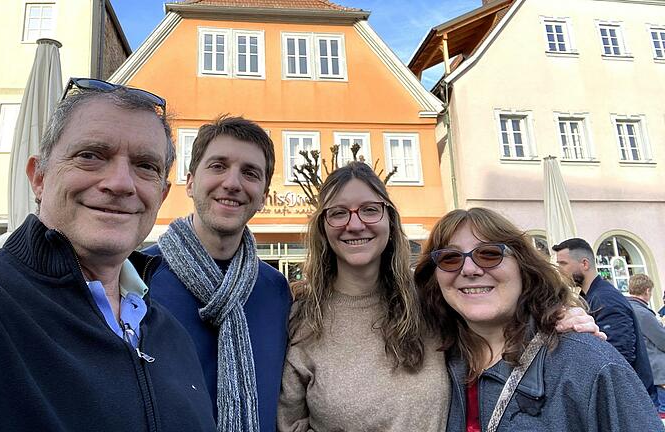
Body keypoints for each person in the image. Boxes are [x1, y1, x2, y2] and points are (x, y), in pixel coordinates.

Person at [0, 80, 216, 431]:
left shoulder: (172, 335)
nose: (122, 183)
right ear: (39, 177)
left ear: (162, 193)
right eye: (91, 156)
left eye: (145, 166)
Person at [276, 164, 600, 431]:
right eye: (338, 213)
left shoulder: (431, 301)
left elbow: (497, 311)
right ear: (323, 226)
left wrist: (557, 314)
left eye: (370, 210)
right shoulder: (302, 318)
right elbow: (287, 423)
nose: (355, 224)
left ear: (390, 220)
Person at [414, 207, 663, 431]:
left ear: (523, 266)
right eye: (450, 258)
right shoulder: (432, 362)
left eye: (489, 254)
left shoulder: (588, 364)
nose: (469, 269)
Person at [143, 116, 291, 432]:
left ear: (263, 196)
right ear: (191, 182)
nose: (233, 183)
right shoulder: (136, 279)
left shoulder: (277, 290)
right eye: (218, 166)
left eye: (250, 173)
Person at [553, 238, 656, 399]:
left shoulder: (605, 299)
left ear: (585, 264)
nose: (559, 270)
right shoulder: (589, 298)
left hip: (627, 398)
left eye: (563, 264)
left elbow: (619, 355)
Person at [628, 273, 665, 417]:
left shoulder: (629, 307)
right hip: (658, 372)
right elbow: (662, 340)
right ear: (647, 291)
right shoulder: (642, 312)